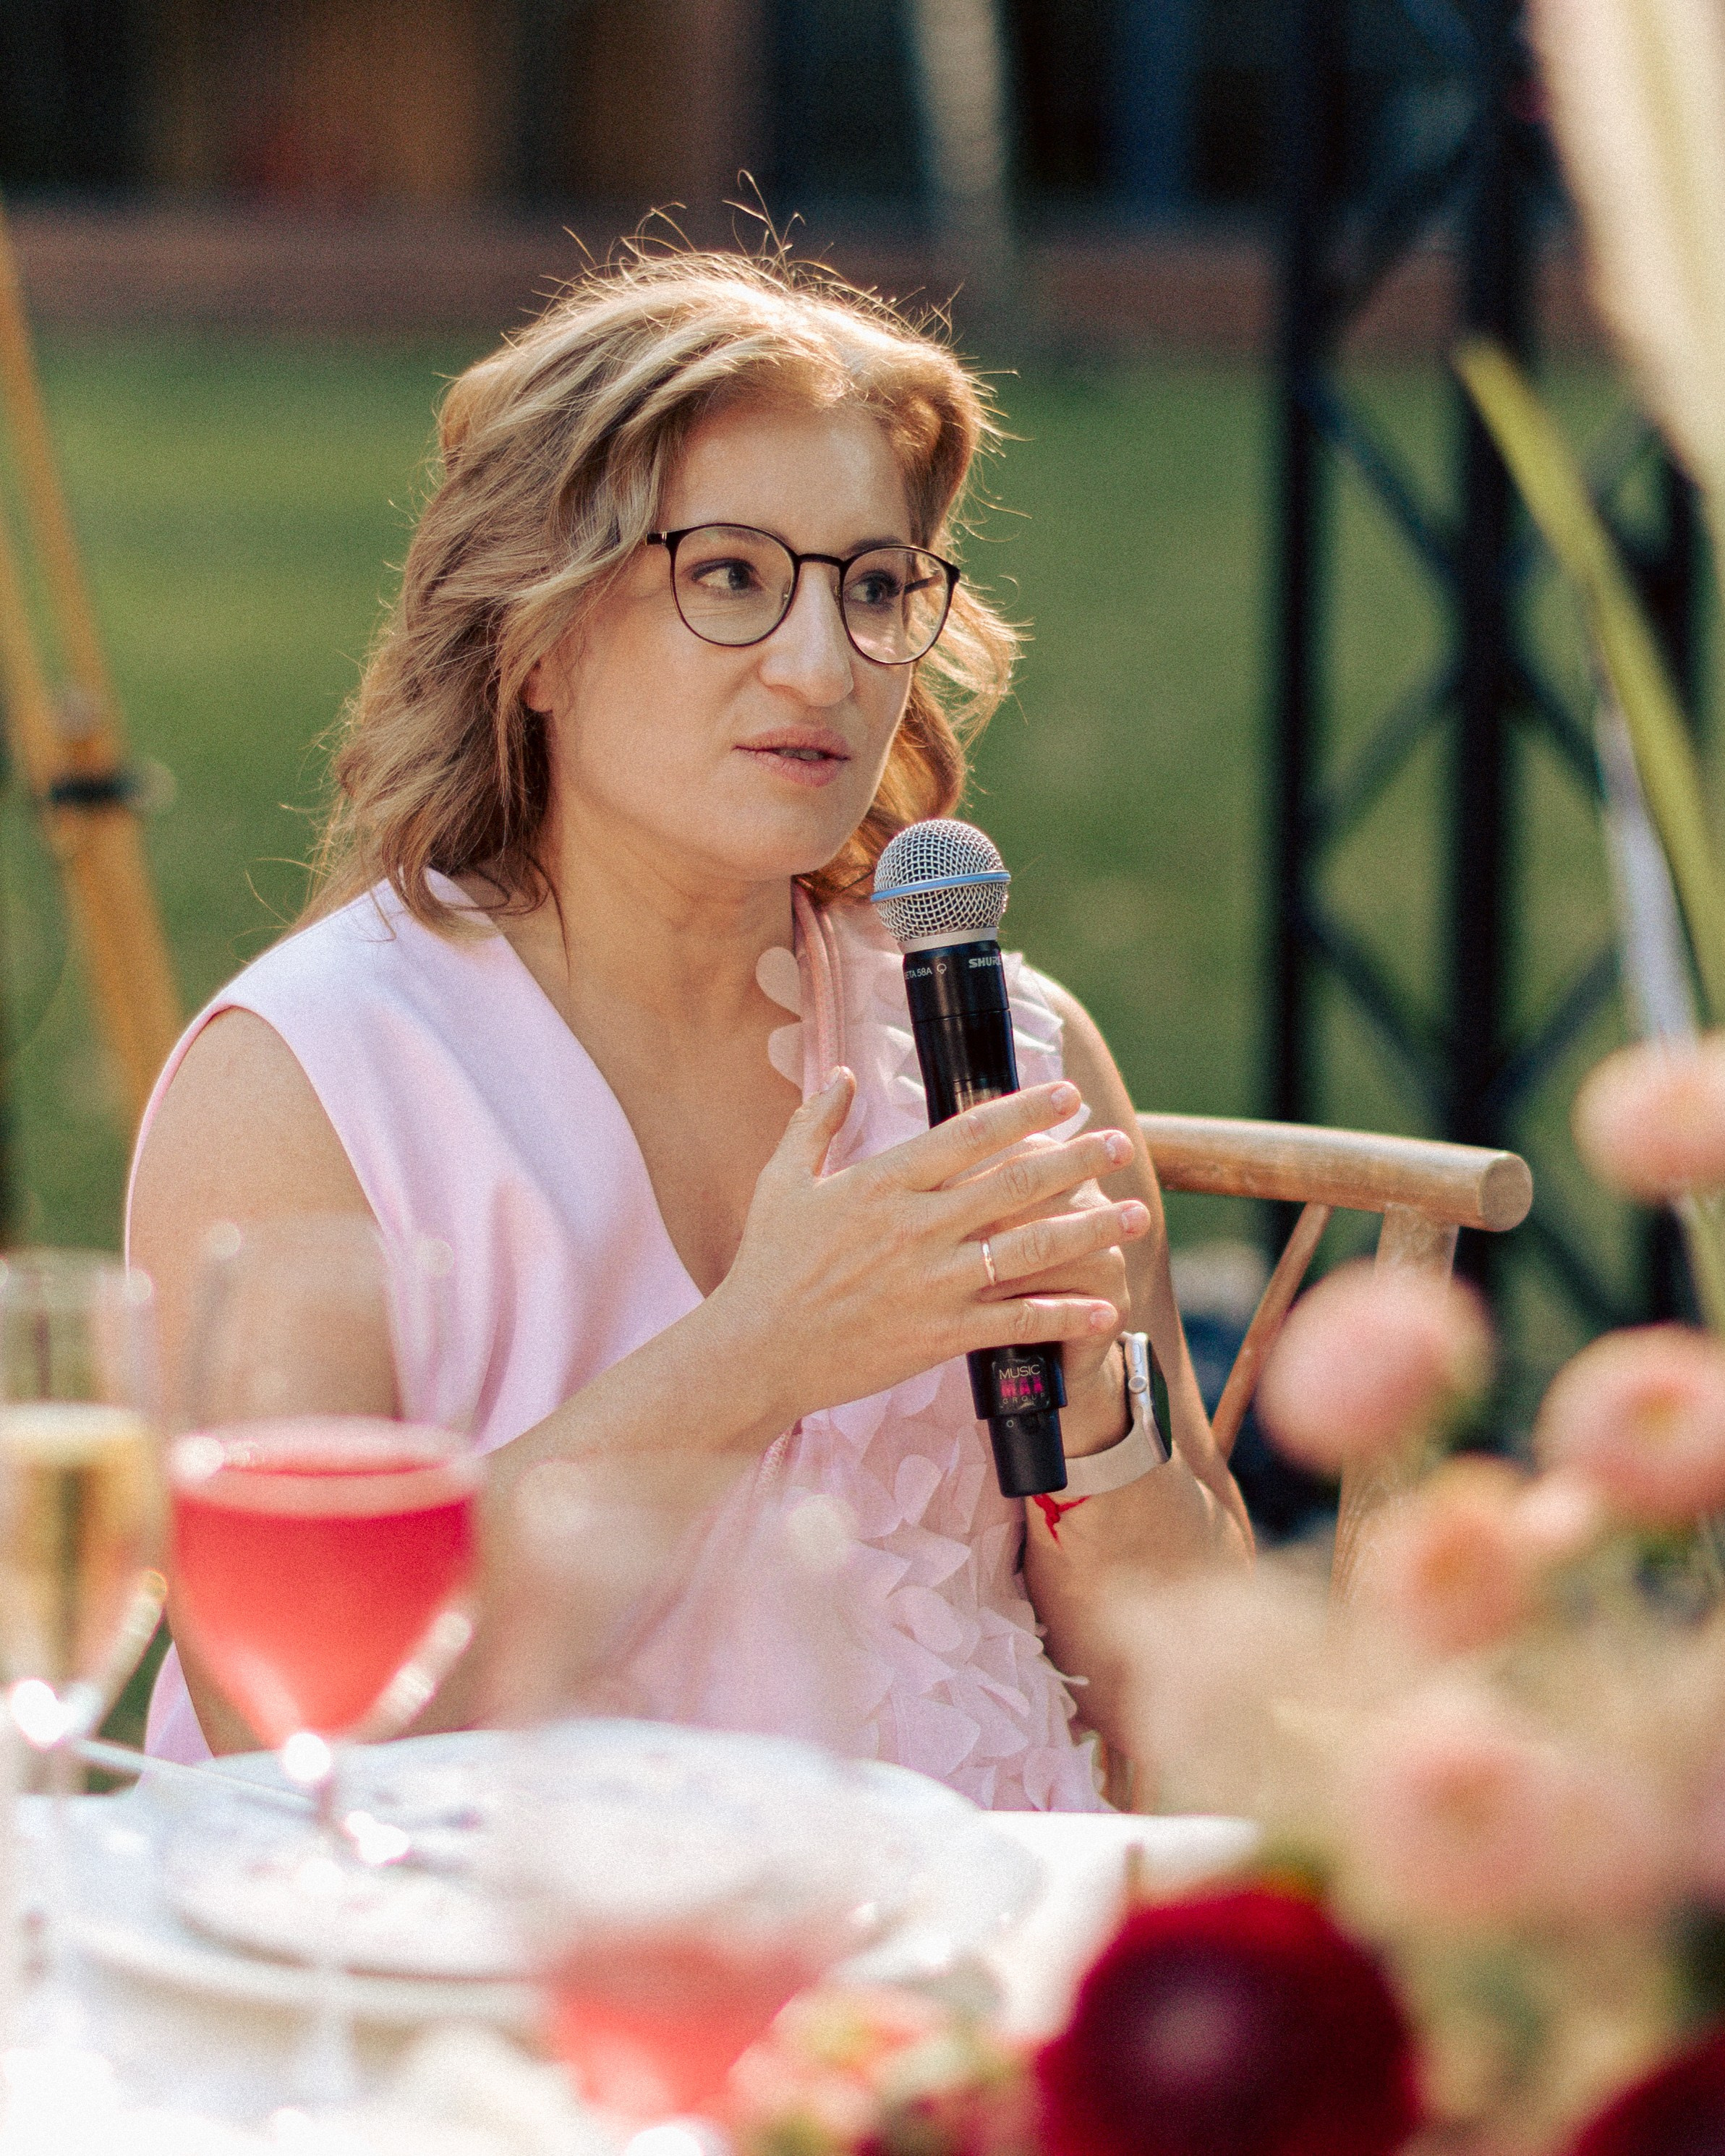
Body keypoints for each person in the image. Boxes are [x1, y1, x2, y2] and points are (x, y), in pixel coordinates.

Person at [129, 247, 1251, 1808]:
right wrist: (762, 1349)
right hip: (491, 1985)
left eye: (871, 588)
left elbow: (1211, 1714)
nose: (821, 662)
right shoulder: (307, 1083)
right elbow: (286, 1713)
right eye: (728, 576)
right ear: (533, 636)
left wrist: (1086, 1409)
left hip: (970, 1965)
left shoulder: (1008, 1050)